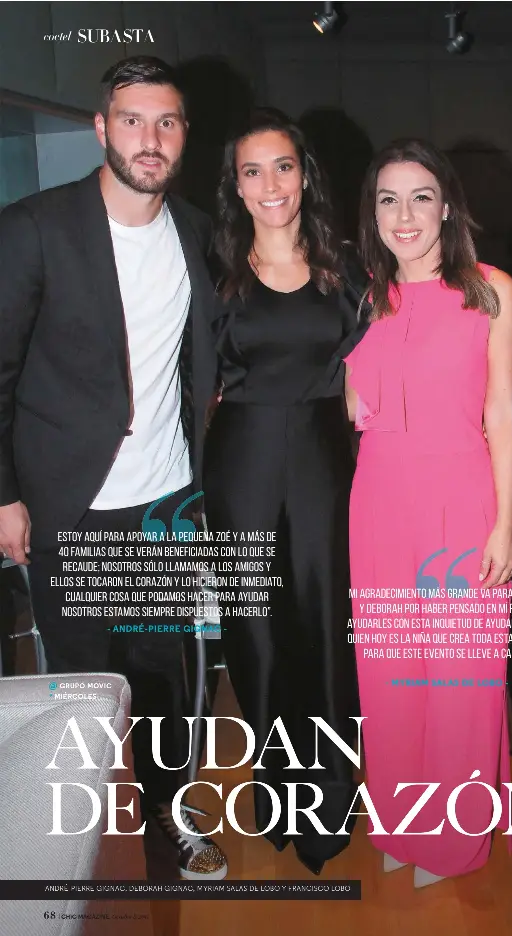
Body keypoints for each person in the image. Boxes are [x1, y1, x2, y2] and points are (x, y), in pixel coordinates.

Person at [0, 56, 227, 881]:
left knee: (163, 676)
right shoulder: (34, 227)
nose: (149, 138)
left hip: (164, 500)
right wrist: (5, 496)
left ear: (184, 135)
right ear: (101, 128)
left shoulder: (199, 233)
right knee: (86, 688)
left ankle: (166, 816)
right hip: (70, 504)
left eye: (166, 122)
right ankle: (95, 844)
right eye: (132, 120)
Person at [345, 139, 512, 887]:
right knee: (390, 673)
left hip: (461, 498)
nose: (405, 214)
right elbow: (355, 408)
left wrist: (506, 523)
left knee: (458, 678)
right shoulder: (368, 296)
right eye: (388, 199)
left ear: (447, 206)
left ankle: (452, 837)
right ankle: (401, 820)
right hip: (379, 502)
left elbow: (501, 417)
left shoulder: (490, 289)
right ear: (373, 214)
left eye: (420, 196)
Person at [203, 108, 369, 875]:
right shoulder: (213, 268)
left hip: (324, 462)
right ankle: (276, 792)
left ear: (305, 174)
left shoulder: (347, 266)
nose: (270, 185)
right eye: (252, 170)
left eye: (283, 166)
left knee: (326, 628)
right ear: (235, 186)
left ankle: (328, 798)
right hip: (239, 462)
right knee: (256, 634)